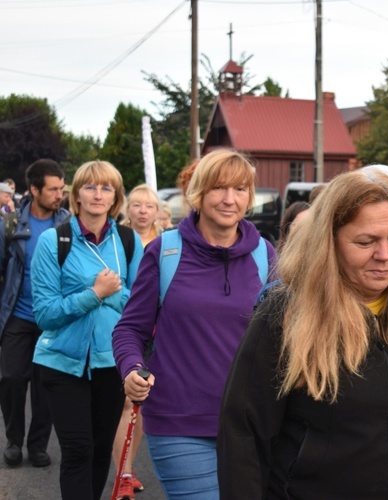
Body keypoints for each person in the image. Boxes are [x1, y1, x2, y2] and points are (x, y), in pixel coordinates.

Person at [217, 167, 388, 499]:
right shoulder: (284, 316)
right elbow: (244, 439)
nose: (385, 255)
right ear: (329, 243)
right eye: (365, 241)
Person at [113, 149, 276, 499]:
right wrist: (131, 368)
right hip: (179, 421)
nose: (230, 199)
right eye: (219, 188)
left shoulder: (265, 254)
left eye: (240, 189)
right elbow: (130, 329)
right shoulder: (165, 250)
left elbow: (282, 337)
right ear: (198, 193)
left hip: (251, 424)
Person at [30, 160, 143, 500]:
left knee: (98, 450)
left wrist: (110, 293)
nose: (98, 194)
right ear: (75, 195)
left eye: (106, 187)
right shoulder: (54, 241)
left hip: (111, 363)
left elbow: (139, 304)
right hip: (61, 363)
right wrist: (93, 294)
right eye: (90, 187)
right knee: (78, 449)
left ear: (115, 197)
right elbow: (45, 314)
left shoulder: (128, 241)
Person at [0, 159, 67, 468]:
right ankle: (13, 440)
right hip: (18, 314)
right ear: (35, 189)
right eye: (53, 189)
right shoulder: (11, 224)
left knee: (46, 385)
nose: (59, 195)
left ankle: (37, 444)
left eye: (62, 189)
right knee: (12, 378)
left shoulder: (68, 225)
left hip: (52, 318)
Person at [110, 183, 164, 498]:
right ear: (127, 209)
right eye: (137, 205)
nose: (143, 211)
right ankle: (124, 474)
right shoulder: (119, 240)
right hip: (126, 330)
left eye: (149, 206)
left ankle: (127, 468)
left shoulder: (170, 243)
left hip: (160, 335)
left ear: (158, 212)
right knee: (129, 403)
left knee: (139, 406)